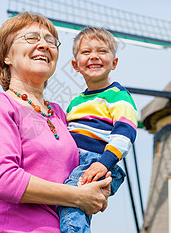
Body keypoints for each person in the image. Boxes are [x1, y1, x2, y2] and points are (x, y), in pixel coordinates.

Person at [0, 13, 112, 233]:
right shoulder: (0, 105)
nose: (43, 45)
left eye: (50, 41)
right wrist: (78, 197)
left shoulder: (60, 113)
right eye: (31, 38)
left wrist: (99, 186)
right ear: (6, 56)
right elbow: (4, 180)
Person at [58, 27, 138, 233]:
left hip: (97, 161)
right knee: (71, 204)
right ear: (75, 65)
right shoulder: (75, 102)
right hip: (77, 162)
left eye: (102, 51)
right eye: (86, 52)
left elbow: (125, 131)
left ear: (114, 62)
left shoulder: (118, 96)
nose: (94, 56)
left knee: (71, 201)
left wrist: (105, 163)